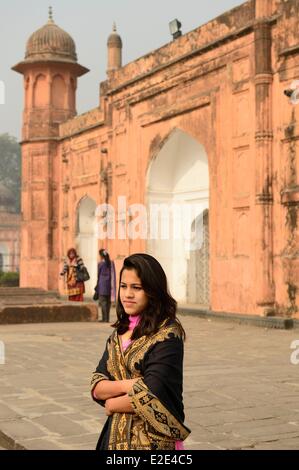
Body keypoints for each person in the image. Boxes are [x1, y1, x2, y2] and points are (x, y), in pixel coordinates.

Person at [90, 253, 190, 450]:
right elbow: (96, 386)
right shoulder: (119, 333)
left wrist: (112, 405)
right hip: (114, 438)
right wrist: (131, 384)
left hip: (154, 442)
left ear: (153, 291)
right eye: (124, 286)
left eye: (137, 288)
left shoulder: (167, 335)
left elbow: (154, 392)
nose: (128, 294)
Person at [94, 249, 116, 322]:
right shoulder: (111, 263)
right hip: (109, 285)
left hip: (102, 285)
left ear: (101, 256)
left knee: (103, 302)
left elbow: (98, 275)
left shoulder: (100, 264)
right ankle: (107, 318)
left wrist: (97, 286)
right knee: (108, 302)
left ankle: (104, 318)